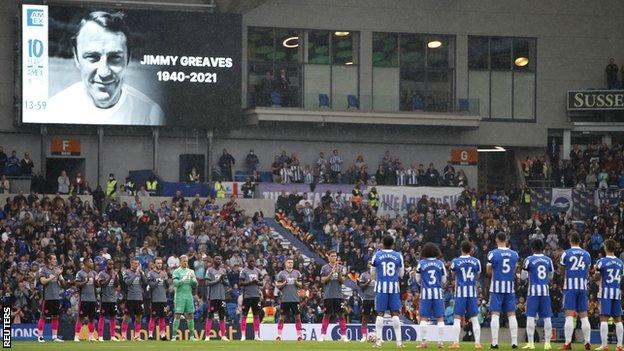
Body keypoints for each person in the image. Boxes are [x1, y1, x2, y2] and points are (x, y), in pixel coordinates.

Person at [46, 11, 164, 125]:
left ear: (128, 59)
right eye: (92, 57)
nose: (104, 72)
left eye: (115, 57)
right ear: (76, 57)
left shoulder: (151, 115)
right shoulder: (52, 111)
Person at [486, 232, 520, 349]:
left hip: (496, 287)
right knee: (511, 314)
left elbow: (489, 272)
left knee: (495, 314)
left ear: (496, 240)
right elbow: (514, 270)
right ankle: (514, 342)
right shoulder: (514, 254)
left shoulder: (492, 254)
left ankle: (495, 343)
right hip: (509, 288)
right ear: (506, 240)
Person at [370, 235, 405, 348]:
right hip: (394, 288)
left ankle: (379, 341)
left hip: (381, 287)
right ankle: (399, 342)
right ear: (393, 244)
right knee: (395, 313)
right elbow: (402, 274)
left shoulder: (377, 255)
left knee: (380, 313)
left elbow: (372, 273)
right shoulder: (398, 256)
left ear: (382, 243)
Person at [559, 231, 592, 350]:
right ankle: (587, 342)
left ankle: (567, 343)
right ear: (580, 240)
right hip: (582, 287)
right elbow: (588, 271)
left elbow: (562, 271)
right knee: (584, 316)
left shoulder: (566, 253)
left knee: (569, 316)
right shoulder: (587, 254)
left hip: (570, 287)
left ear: (570, 240)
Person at [520, 239, 554, 350]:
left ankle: (531, 343)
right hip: (545, 291)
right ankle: (547, 343)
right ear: (543, 247)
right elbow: (551, 276)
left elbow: (523, 276)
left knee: (530, 316)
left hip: (533, 292)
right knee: (547, 317)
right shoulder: (548, 260)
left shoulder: (528, 260)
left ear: (532, 248)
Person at [450, 241, 482, 349]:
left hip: (460, 292)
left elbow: (453, 275)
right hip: (472, 292)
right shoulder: (476, 261)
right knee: (474, 317)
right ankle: (477, 343)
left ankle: (455, 343)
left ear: (461, 249)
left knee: (457, 317)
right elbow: (477, 276)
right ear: (471, 250)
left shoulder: (456, 261)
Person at [594, 239, 624, 351]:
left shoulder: (601, 261)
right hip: (616, 293)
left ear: (606, 247)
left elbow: (596, 278)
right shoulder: (621, 263)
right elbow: (621, 278)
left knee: (604, 319)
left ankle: (604, 345)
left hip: (605, 293)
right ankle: (620, 345)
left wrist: (596, 272)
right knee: (618, 320)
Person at [416, 242, 447, 348]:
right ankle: (440, 342)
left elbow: (418, 279)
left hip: (425, 294)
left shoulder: (421, 263)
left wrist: (424, 283)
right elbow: (444, 280)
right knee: (440, 318)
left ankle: (424, 342)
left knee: (423, 318)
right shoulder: (440, 264)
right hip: (438, 294)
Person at [319, 250, 348, 342]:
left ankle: (344, 336)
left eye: (335, 256)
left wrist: (338, 273)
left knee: (341, 315)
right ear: (328, 257)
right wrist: (331, 273)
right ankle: (323, 335)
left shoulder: (342, 268)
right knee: (327, 315)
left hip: (339, 296)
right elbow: (323, 280)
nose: (334, 258)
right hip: (328, 295)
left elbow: (342, 281)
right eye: (332, 256)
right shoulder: (324, 268)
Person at [37, 254, 65, 342]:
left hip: (56, 297)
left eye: (56, 259)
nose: (56, 260)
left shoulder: (57, 269)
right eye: (54, 259)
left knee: (55, 316)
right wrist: (53, 276)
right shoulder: (43, 269)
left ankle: (54, 337)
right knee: (43, 316)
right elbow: (43, 281)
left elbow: (63, 284)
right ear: (49, 260)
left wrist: (60, 276)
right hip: (48, 297)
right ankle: (40, 337)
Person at [275, 258, 304, 341]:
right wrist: (284, 282)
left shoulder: (297, 273)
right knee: (281, 318)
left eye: (292, 262)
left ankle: (299, 336)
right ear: (285, 264)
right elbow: (277, 285)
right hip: (285, 299)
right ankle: (279, 335)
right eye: (289, 262)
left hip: (295, 299)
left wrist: (296, 282)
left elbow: (301, 285)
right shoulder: (281, 273)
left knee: (297, 317)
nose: (290, 263)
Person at [171, 255, 197, 341]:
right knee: (178, 314)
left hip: (189, 296)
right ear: (180, 262)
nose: (185, 263)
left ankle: (192, 336)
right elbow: (175, 283)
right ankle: (174, 336)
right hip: (180, 296)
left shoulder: (191, 271)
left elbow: (195, 286)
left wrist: (194, 281)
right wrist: (183, 279)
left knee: (190, 315)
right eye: (183, 261)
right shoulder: (176, 272)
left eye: (186, 261)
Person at [121, 258, 148, 341]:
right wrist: (136, 274)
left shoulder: (140, 272)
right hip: (130, 298)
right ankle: (123, 336)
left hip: (139, 297)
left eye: (137, 264)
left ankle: (137, 336)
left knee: (139, 317)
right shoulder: (126, 272)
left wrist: (141, 274)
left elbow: (146, 282)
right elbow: (128, 282)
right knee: (126, 317)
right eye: (135, 264)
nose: (137, 265)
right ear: (131, 263)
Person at [204, 255, 230, 341]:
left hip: (222, 297)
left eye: (220, 259)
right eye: (217, 259)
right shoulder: (209, 270)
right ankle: (207, 336)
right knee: (210, 315)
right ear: (213, 260)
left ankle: (223, 336)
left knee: (222, 316)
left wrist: (223, 280)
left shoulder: (223, 270)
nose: (219, 260)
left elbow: (227, 283)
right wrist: (218, 281)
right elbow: (207, 283)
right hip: (213, 297)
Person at [239, 257, 264, 341]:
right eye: (250, 261)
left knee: (256, 315)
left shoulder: (258, 271)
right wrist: (250, 282)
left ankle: (256, 336)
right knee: (244, 315)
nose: (252, 262)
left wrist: (257, 282)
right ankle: (243, 335)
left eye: (253, 261)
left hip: (256, 296)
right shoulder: (244, 271)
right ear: (247, 262)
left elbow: (261, 283)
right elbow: (240, 283)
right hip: (247, 296)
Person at [73, 258, 98, 342]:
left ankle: (91, 336)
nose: (92, 263)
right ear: (85, 263)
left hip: (93, 299)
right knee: (80, 317)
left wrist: (98, 281)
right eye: (90, 261)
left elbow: (97, 285)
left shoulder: (94, 273)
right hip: (84, 299)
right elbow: (76, 284)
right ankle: (76, 336)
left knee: (91, 318)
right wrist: (85, 281)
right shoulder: (80, 273)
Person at [97, 259, 120, 342]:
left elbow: (116, 286)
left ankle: (113, 336)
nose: (111, 266)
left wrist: (116, 277)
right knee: (102, 317)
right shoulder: (101, 273)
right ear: (106, 265)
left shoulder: (114, 273)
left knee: (113, 317)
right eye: (110, 264)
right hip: (104, 299)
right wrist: (110, 277)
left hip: (113, 299)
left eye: (112, 264)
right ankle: (100, 336)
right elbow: (102, 285)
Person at [148, 258, 170, 341]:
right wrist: (159, 280)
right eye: (158, 263)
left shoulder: (164, 273)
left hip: (163, 299)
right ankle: (150, 335)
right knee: (153, 317)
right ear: (154, 264)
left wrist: (165, 279)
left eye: (161, 263)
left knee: (162, 317)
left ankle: (162, 335)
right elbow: (151, 285)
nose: (160, 265)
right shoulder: (151, 273)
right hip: (155, 299)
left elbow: (167, 286)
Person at [357, 266, 376, 342]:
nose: (371, 266)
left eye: (372, 264)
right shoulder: (364, 275)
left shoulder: (379, 274)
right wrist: (369, 281)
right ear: (367, 265)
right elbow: (361, 286)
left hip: (377, 298)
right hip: (366, 298)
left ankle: (378, 336)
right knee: (365, 317)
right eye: (369, 264)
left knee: (378, 318)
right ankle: (364, 336)